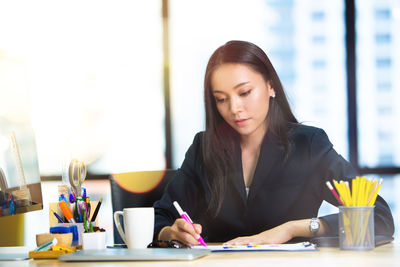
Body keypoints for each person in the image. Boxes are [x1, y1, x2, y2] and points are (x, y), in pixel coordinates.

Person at [153, 40, 394, 246]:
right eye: (221, 99)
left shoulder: (309, 145)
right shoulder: (203, 148)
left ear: (270, 86)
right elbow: (159, 218)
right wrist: (171, 232)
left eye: (245, 92)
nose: (234, 108)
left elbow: (379, 218)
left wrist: (291, 229)